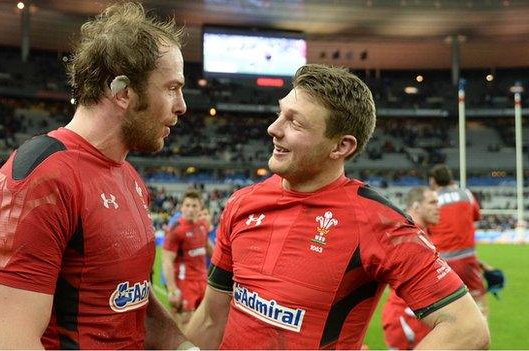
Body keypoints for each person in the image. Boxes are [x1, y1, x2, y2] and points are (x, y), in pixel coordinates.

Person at [185, 64, 489, 349]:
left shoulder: (378, 221)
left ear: (341, 146)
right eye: (280, 114)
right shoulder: (242, 203)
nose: (273, 129)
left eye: (295, 121)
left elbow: (467, 328)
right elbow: (212, 318)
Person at [0, 2, 193, 349]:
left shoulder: (130, 178)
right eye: (171, 88)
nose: (182, 105)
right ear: (122, 92)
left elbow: (130, 302)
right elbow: (6, 343)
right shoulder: (38, 180)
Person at [381, 187, 440, 350]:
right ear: (416, 206)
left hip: (422, 320)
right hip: (406, 323)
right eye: (432, 202)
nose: (438, 207)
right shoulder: (404, 235)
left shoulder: (422, 234)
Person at [427, 164, 489, 316]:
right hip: (466, 259)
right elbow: (476, 216)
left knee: (443, 307)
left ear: (433, 181)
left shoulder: (430, 200)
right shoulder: (466, 194)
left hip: (440, 261)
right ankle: (479, 334)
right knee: (477, 299)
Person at [162, 190, 212, 326]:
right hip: (185, 282)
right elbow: (167, 261)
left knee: (204, 322)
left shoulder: (203, 226)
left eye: (194, 206)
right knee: (185, 321)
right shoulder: (176, 230)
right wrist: (172, 289)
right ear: (182, 207)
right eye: (187, 205)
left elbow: (208, 248)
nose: (190, 209)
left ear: (200, 208)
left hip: (203, 280)